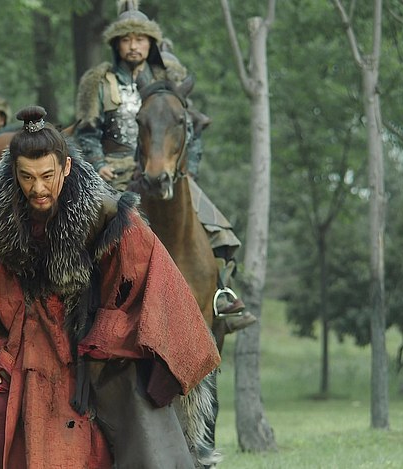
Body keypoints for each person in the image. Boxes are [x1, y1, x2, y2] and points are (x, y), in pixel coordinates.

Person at [0, 106, 220, 468]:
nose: (38, 188)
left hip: (88, 338)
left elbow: (146, 271)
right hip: (24, 344)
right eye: (26, 177)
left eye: (47, 176)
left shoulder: (105, 212)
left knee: (132, 433)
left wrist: (109, 332)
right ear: (13, 172)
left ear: (66, 166)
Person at [73, 6, 256, 334]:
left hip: (167, 169)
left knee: (217, 228)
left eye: (140, 39)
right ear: (116, 44)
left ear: (151, 43)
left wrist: (190, 170)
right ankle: (78, 301)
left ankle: (220, 295)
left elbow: (190, 128)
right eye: (126, 39)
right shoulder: (100, 82)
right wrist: (98, 164)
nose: (133, 46)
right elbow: (87, 131)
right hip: (114, 171)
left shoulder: (168, 79)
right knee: (86, 231)